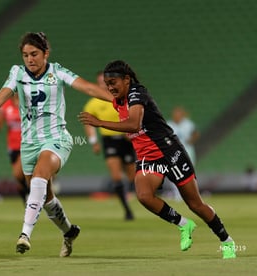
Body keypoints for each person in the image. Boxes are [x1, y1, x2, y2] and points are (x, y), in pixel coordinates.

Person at [0, 32, 113, 257]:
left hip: (56, 139)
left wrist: (118, 100)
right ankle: (69, 231)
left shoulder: (57, 71)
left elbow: (88, 88)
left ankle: (25, 235)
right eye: (25, 55)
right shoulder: (17, 73)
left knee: (40, 177)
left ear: (45, 54)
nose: (29, 59)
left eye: (34, 54)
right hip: (29, 144)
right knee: (46, 197)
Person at [79, 60, 236, 259]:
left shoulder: (137, 93)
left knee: (195, 204)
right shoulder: (117, 96)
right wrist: (61, 74)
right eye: (107, 84)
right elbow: (90, 89)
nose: (110, 88)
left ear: (126, 80)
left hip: (169, 152)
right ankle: (183, 224)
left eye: (113, 82)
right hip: (147, 157)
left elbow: (134, 124)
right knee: (144, 196)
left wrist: (99, 123)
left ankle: (226, 241)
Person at [83, 71, 135, 220]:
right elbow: (88, 124)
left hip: (126, 139)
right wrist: (94, 142)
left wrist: (130, 130)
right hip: (109, 140)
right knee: (116, 176)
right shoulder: (93, 103)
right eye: (100, 82)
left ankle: (137, 195)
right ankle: (127, 210)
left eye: (106, 82)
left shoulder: (122, 98)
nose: (103, 85)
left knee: (132, 175)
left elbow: (134, 114)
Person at [0, 93, 29, 204]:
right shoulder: (6, 105)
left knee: (18, 174)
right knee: (19, 181)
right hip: (12, 146)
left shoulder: (28, 103)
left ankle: (33, 197)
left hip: (27, 144)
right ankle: (27, 202)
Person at [165, 106, 200, 201]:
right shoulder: (169, 124)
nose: (177, 116)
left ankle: (192, 193)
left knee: (189, 173)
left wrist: (191, 140)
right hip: (174, 152)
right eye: (175, 114)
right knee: (174, 172)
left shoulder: (188, 124)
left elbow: (196, 133)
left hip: (188, 151)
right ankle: (177, 194)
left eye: (179, 114)